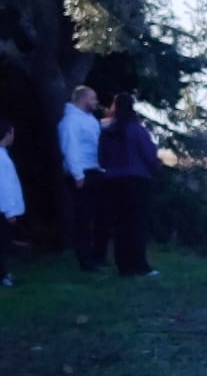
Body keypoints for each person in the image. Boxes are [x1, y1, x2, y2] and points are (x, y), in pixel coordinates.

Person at [98, 93, 162, 278]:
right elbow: (149, 154)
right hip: (136, 180)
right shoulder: (136, 130)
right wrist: (157, 170)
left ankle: (124, 266)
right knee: (137, 225)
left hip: (112, 182)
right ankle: (139, 265)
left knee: (120, 225)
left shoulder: (108, 132)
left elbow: (102, 158)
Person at [58, 85, 104, 271]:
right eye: (93, 98)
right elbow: (70, 148)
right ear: (83, 99)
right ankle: (85, 260)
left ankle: (95, 256)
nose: (96, 102)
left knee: (95, 217)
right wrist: (78, 174)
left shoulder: (89, 119)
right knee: (83, 219)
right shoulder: (70, 122)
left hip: (95, 170)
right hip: (83, 173)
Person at [0, 118, 23, 288]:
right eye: (12, 132)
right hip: (3, 209)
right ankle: (2, 275)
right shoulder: (1, 158)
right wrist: (10, 211)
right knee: (2, 243)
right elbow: (4, 186)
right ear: (7, 134)